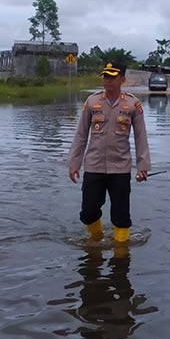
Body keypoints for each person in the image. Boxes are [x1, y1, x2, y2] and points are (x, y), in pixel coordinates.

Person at [68, 61, 151, 243]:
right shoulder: (92, 101)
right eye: (106, 76)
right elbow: (81, 135)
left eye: (112, 77)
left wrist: (143, 166)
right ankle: (96, 240)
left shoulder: (132, 104)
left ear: (122, 79)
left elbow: (140, 137)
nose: (108, 81)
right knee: (88, 212)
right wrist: (74, 163)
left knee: (121, 217)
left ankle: (121, 255)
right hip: (94, 166)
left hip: (120, 168)